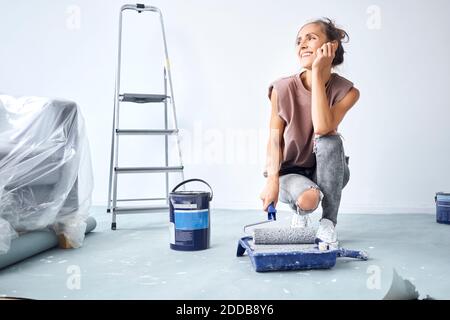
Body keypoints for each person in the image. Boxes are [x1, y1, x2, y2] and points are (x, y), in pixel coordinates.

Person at [260, 18, 360, 247]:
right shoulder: (282, 89)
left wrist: (317, 72)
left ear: (331, 47)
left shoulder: (348, 92)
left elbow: (323, 128)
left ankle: (328, 223)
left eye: (311, 38)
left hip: (330, 172)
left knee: (330, 141)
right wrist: (272, 181)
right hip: (290, 173)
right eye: (299, 41)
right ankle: (301, 211)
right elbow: (274, 140)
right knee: (309, 199)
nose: (302, 44)